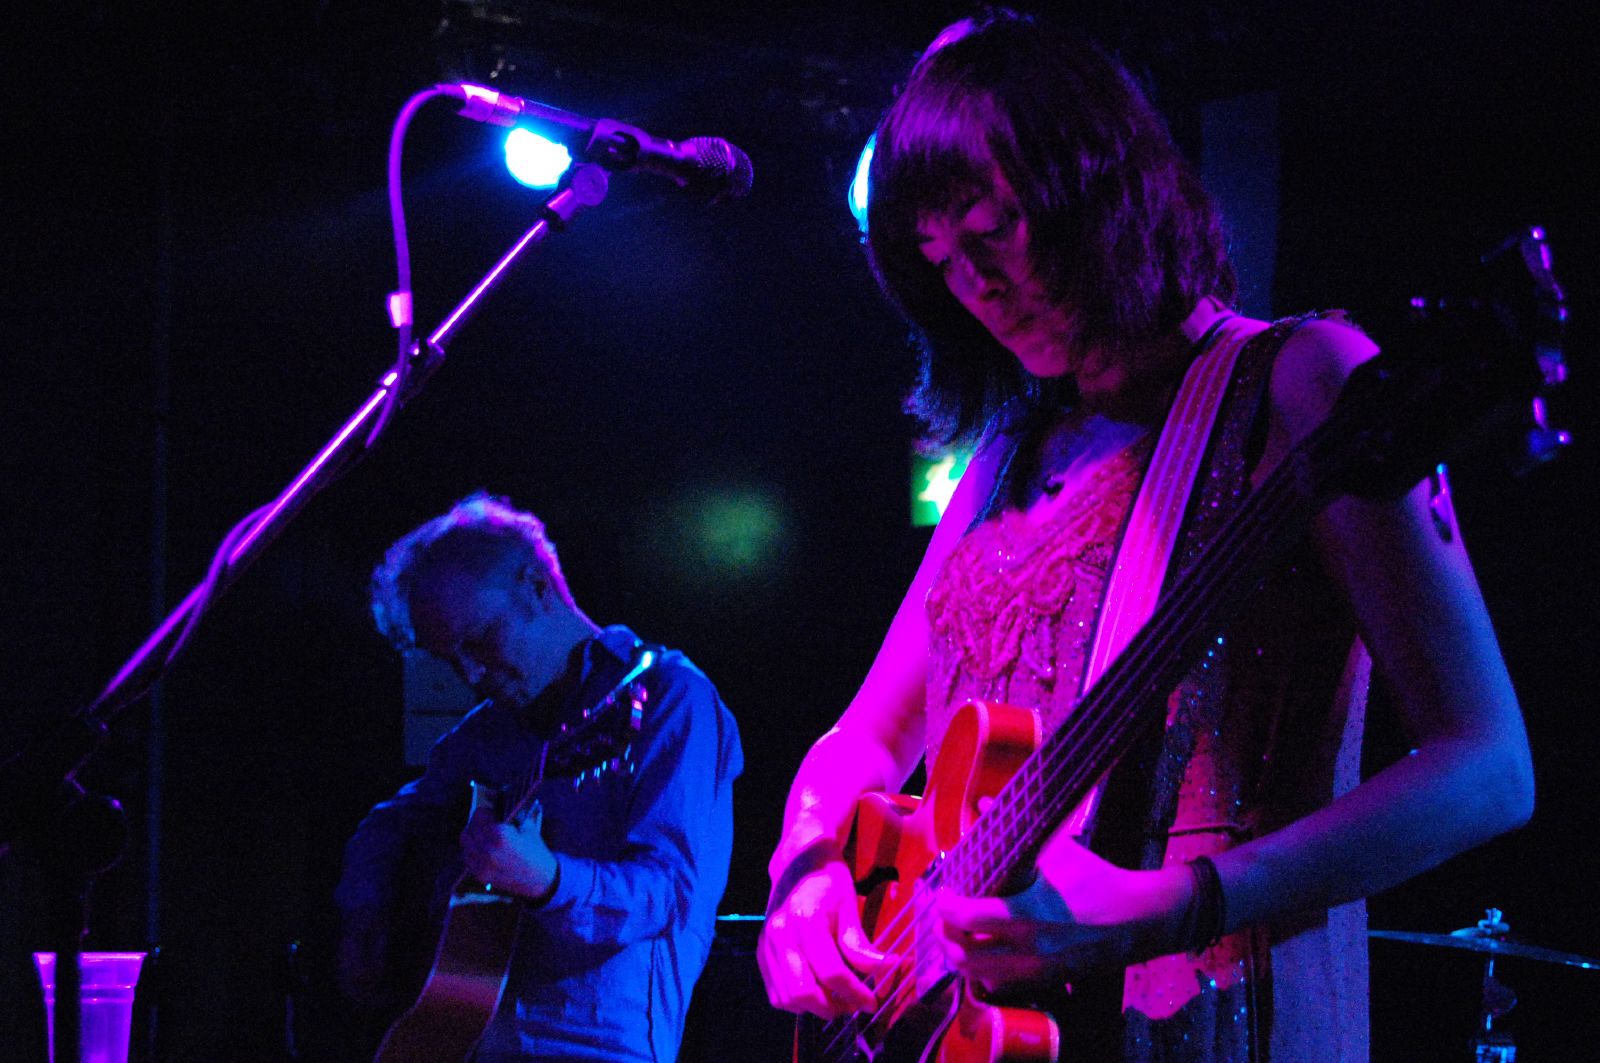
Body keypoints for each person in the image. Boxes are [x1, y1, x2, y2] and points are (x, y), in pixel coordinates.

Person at [757, 10, 1533, 1061]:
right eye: (941, 263)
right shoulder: (1005, 452)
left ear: (1096, 184)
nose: (974, 288)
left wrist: (1179, 902)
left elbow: (1487, 766)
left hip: (1206, 1017)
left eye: (989, 231)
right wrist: (802, 871)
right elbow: (864, 736)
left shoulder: (1303, 381)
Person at [335, 493, 743, 1062]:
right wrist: (367, 912)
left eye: (478, 642)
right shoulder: (486, 735)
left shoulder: (672, 700)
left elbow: (668, 894)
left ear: (535, 588)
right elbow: (389, 826)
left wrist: (549, 879)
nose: (472, 675)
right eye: (452, 661)